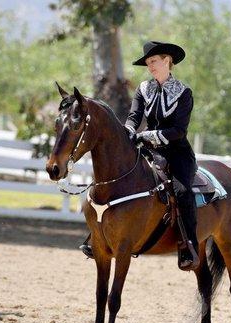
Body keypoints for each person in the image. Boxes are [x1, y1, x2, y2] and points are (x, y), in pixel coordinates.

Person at [80, 40, 200, 271]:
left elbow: (178, 131)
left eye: (154, 61)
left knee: (183, 192)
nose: (150, 67)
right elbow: (134, 117)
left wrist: (147, 136)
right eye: (148, 63)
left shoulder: (184, 93)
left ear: (167, 61)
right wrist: (128, 132)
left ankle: (189, 245)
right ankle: (96, 237)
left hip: (177, 153)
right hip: (147, 149)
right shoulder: (144, 88)